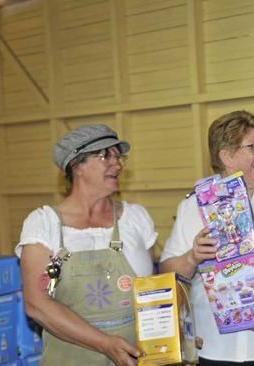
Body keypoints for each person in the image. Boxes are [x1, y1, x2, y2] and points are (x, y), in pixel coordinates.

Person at [160, 110, 254, 365]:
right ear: (226, 156)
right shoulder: (193, 206)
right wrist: (193, 256)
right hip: (216, 349)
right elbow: (167, 272)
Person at [16, 124, 157, 366]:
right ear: (77, 165)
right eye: (106, 155)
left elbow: (155, 291)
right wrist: (104, 343)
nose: (118, 164)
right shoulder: (44, 224)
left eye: (119, 155)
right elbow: (36, 304)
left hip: (136, 358)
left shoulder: (135, 218)